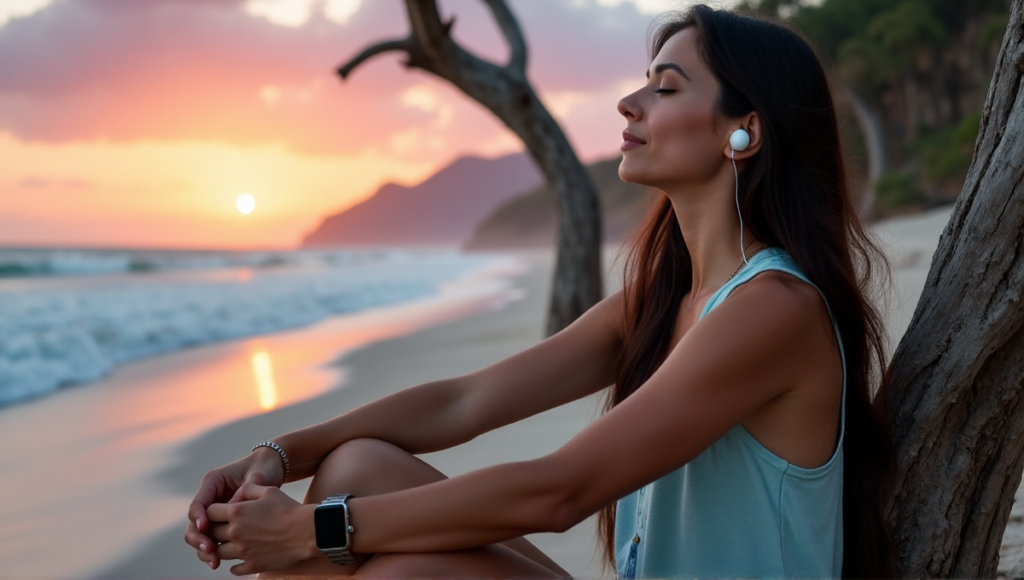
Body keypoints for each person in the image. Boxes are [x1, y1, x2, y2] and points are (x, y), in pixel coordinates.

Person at [183, 4, 897, 578]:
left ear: (745, 131)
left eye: (665, 87)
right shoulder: (663, 301)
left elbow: (561, 491)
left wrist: (313, 530)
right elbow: (463, 402)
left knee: (400, 566)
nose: (628, 103)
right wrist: (277, 455)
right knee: (356, 464)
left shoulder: (774, 310)